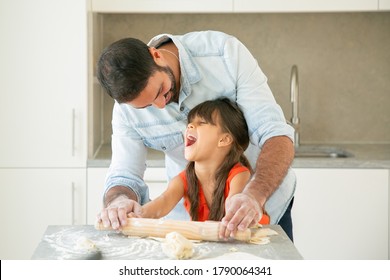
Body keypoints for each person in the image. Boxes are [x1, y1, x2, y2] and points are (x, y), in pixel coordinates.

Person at [96, 30, 296, 240]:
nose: (161, 105)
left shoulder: (223, 55)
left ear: (156, 55)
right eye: (148, 106)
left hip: (257, 207)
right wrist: (119, 204)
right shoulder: (126, 111)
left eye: (160, 91)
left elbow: (275, 133)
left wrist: (254, 196)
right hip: (187, 225)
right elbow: (124, 175)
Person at [125, 98, 270, 226]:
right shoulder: (183, 180)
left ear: (224, 139)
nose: (190, 126)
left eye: (201, 122)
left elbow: (233, 213)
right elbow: (163, 203)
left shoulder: (239, 175)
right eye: (190, 123)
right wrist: (138, 214)